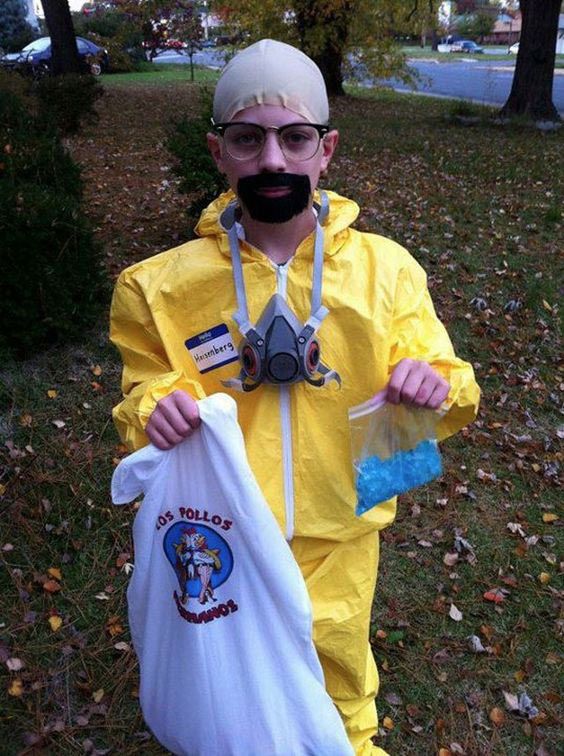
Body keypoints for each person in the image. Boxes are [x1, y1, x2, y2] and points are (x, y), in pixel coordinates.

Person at [110, 38, 480, 756]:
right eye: (249, 140)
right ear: (219, 152)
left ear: (326, 150)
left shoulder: (385, 272)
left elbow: (452, 385)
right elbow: (141, 391)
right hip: (219, 536)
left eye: (294, 138)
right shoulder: (156, 287)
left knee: (338, 686)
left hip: (338, 531)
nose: (273, 160)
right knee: (228, 693)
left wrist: (436, 386)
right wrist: (155, 407)